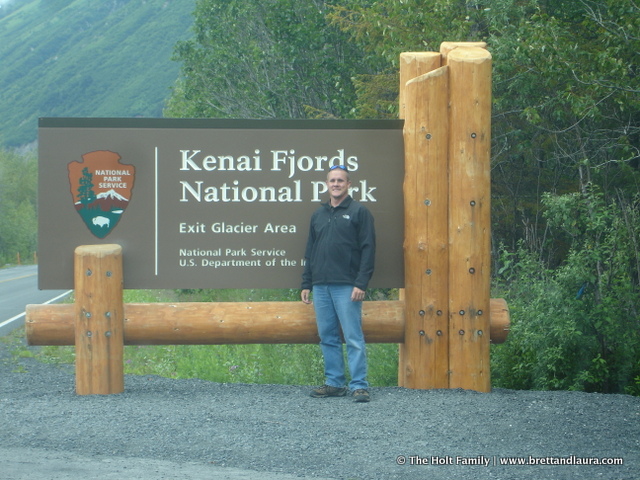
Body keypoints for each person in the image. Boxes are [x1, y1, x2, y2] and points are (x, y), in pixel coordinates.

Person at [301, 164, 376, 403]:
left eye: (340, 181)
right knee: (328, 337)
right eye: (332, 180)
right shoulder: (318, 214)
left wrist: (361, 283)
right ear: (326, 184)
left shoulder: (359, 212)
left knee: (353, 337)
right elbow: (310, 250)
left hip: (347, 285)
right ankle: (335, 383)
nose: (336, 184)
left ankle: (359, 385)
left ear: (349, 184)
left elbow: (368, 250)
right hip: (321, 286)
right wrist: (307, 283)